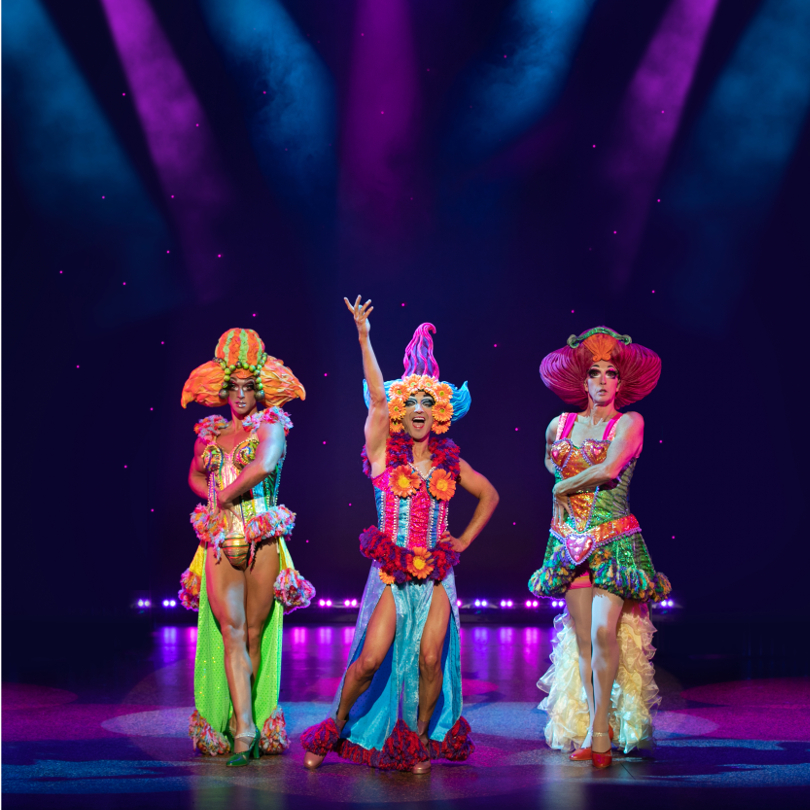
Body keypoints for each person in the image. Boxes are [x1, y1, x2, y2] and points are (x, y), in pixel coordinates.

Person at [301, 297, 499, 773]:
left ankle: (417, 740)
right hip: (391, 573)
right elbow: (376, 396)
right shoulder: (381, 456)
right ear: (398, 412)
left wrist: (465, 540)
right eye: (409, 401)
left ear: (439, 414)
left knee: (432, 658)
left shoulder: (452, 462)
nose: (416, 409)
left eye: (427, 402)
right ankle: (335, 724)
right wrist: (364, 337)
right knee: (370, 660)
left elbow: (489, 495)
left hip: (436, 577)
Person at [529, 327, 671, 769]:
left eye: (611, 373)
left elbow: (609, 470)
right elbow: (550, 460)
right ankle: (593, 727)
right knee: (584, 642)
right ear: (583, 382)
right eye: (595, 372)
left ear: (620, 383)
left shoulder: (630, 422)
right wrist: (561, 502)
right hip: (568, 541)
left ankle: (604, 732)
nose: (604, 380)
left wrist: (565, 484)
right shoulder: (559, 425)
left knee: (604, 632)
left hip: (614, 541)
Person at [178, 328, 313, 766]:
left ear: (259, 389)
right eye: (233, 387)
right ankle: (243, 729)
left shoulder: (272, 425)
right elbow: (196, 476)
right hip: (219, 541)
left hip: (262, 536)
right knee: (231, 632)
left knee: (255, 633)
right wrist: (211, 497)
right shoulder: (210, 433)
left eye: (248, 386)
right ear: (223, 390)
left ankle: (253, 714)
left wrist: (224, 494)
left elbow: (263, 466)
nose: (240, 394)